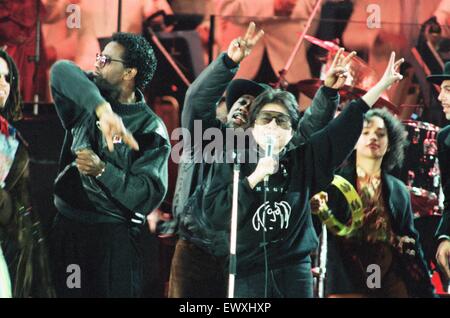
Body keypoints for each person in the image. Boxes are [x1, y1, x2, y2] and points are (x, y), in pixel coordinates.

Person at [166, 22, 355, 298]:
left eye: (252, 105)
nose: (243, 106)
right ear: (224, 109)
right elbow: (195, 101)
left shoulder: (270, 151)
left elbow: (307, 132)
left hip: (247, 256)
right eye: (238, 101)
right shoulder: (208, 138)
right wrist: (228, 63)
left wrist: (327, 94)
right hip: (198, 250)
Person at [202, 52, 404, 298]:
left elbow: (339, 130)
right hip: (247, 270)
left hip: (294, 272)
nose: (274, 126)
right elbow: (214, 213)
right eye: (266, 119)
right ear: (252, 126)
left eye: (282, 121)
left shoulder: (303, 159)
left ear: (292, 131)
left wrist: (378, 87)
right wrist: (253, 179)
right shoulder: (233, 161)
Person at [49, 32, 171, 297]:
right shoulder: (88, 96)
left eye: (106, 59)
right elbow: (61, 71)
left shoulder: (151, 128)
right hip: (67, 229)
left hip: (111, 240)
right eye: (98, 57)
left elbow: (145, 194)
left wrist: (102, 171)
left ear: (129, 73)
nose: (97, 63)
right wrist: (103, 110)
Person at [311, 108, 435, 297]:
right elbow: (325, 243)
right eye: (365, 132)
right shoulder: (333, 185)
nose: (373, 138)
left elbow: (412, 244)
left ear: (390, 144)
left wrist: (426, 290)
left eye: (380, 134)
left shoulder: (398, 190)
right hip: (344, 277)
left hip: (382, 275)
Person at [0, 49, 54, 298]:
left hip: (11, 245)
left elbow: (23, 201)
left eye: (7, 78)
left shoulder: (12, 136)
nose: (3, 85)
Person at [214, 0, 321, 109]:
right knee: (234, 120)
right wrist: (271, 7)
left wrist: (291, 7)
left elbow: (313, 6)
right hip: (242, 61)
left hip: (290, 58)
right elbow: (225, 7)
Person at [429, 62, 450, 282]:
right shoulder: (444, 138)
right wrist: (445, 236)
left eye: (449, 90)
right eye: (442, 89)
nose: (441, 97)